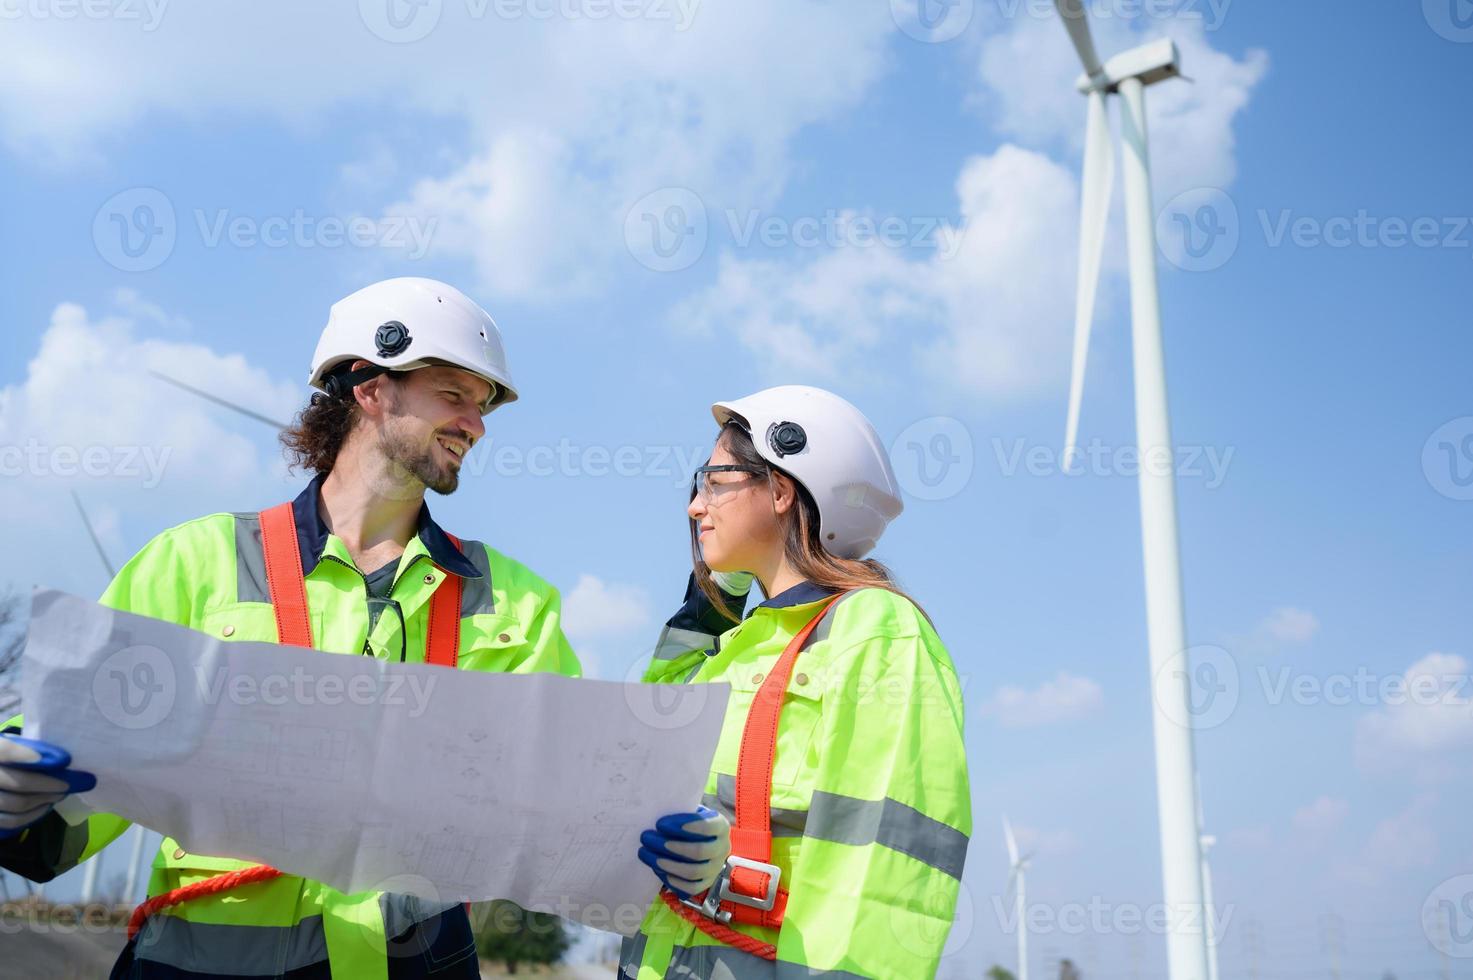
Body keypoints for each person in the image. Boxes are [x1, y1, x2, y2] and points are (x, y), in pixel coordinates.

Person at [0, 278, 703, 979]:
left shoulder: (514, 605)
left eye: (483, 406)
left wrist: (671, 844)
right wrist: (19, 798)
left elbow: (572, 799)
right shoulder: (192, 563)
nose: (477, 425)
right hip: (201, 962)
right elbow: (82, 778)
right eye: (454, 395)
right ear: (371, 387)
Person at [626, 385, 972, 979]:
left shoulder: (877, 630)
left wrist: (731, 869)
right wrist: (718, 592)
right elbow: (656, 709)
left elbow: (879, 885)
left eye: (714, 480)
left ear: (781, 489)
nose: (695, 505)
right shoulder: (741, 644)